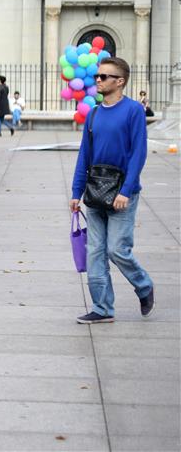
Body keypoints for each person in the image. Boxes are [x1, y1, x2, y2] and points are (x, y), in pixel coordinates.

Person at [70, 56, 154, 324]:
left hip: (122, 191)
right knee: (95, 251)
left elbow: (138, 153)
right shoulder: (93, 113)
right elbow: (85, 154)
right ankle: (102, 308)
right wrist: (76, 192)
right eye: (97, 76)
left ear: (120, 81)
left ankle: (143, 285)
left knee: (117, 249)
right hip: (95, 191)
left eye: (104, 77)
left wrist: (126, 191)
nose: (98, 80)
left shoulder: (133, 111)